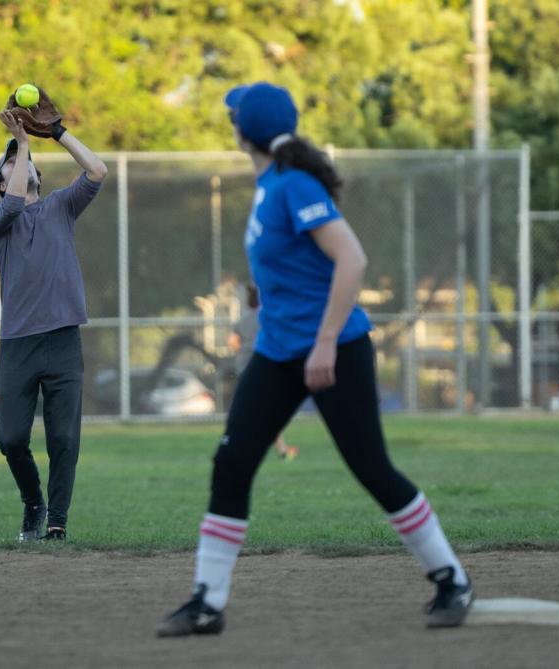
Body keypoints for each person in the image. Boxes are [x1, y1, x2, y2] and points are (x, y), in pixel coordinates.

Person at [157, 82, 473, 636]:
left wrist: (325, 341)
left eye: (234, 117)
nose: (229, 123)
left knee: (371, 468)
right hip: (280, 352)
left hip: (336, 348)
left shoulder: (293, 184)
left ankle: (452, 579)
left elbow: (351, 259)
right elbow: (289, 267)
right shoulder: (268, 184)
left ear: (244, 131)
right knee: (231, 464)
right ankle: (207, 601)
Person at [0, 99, 108, 543]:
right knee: (10, 438)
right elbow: (14, 205)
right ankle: (32, 500)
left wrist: (56, 133)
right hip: (18, 344)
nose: (19, 166)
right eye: (11, 165)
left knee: (64, 441)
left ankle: (56, 520)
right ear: (0, 182)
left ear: (39, 173)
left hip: (62, 340)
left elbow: (97, 171)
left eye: (25, 162)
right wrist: (19, 142)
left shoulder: (60, 206)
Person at [229, 282, 299, 461]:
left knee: (258, 411)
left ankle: (279, 448)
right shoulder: (269, 317)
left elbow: (233, 343)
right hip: (264, 368)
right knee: (269, 411)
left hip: (244, 367)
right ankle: (280, 449)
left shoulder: (243, 319)